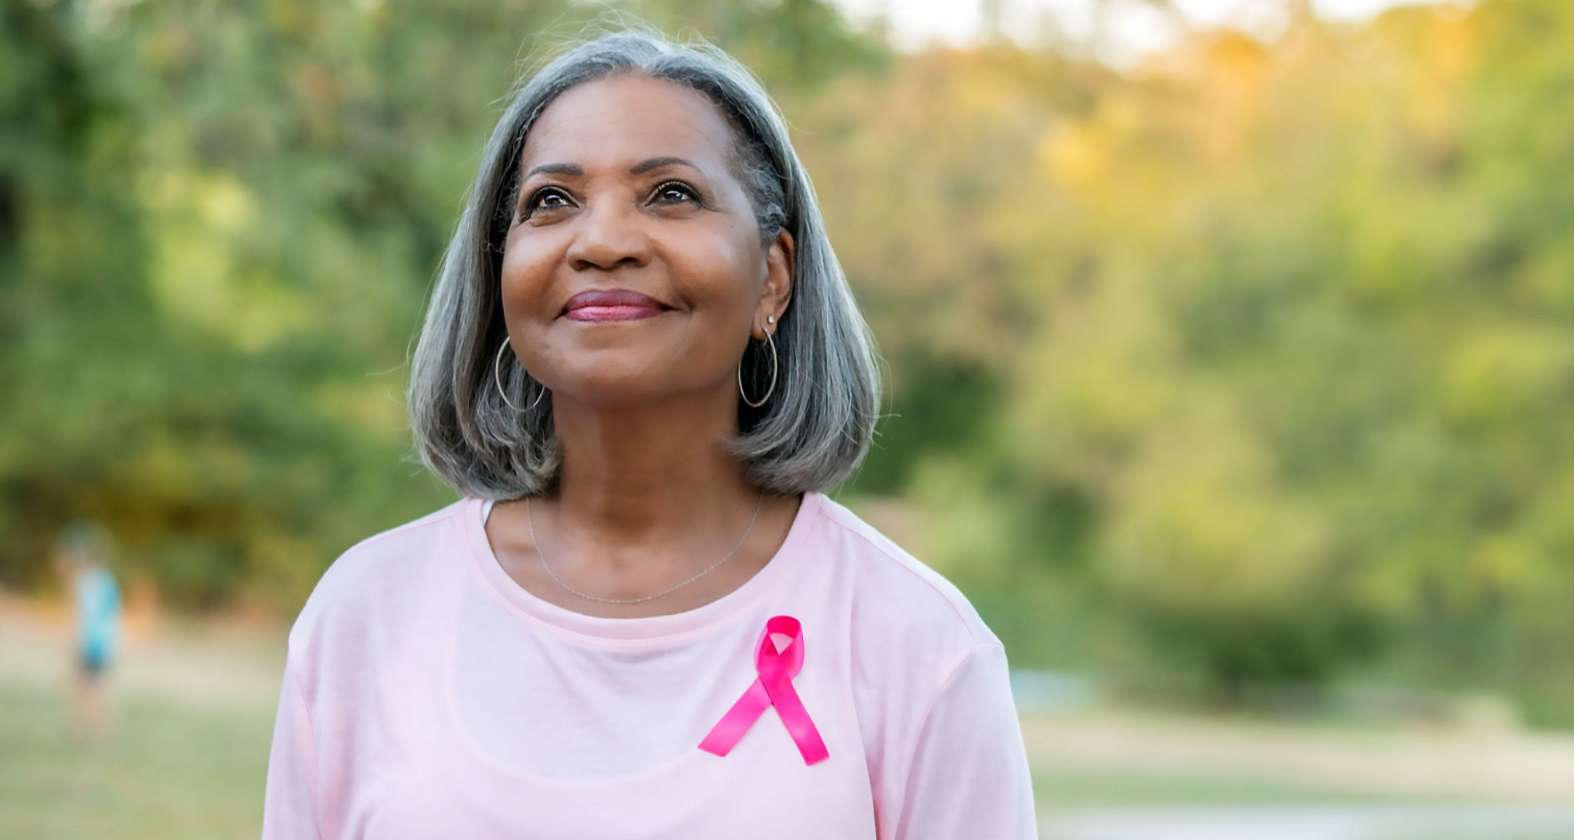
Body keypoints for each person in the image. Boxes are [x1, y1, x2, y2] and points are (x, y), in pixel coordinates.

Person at [262, 26, 1036, 839]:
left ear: (772, 276)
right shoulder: (368, 614)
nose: (600, 242)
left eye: (670, 193)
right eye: (550, 202)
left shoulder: (917, 645)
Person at [54, 521, 121, 742]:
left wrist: (73, 641)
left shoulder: (83, 583)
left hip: (89, 642)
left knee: (82, 687)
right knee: (98, 688)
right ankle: (99, 731)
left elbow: (81, 616)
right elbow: (112, 615)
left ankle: (83, 731)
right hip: (107, 643)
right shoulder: (108, 581)